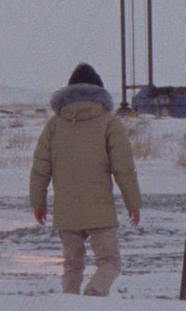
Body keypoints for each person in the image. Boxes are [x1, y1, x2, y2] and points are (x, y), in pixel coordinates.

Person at [29, 62, 142, 296]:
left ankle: (69, 303)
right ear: (99, 91)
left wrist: (38, 203)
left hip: (66, 209)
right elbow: (123, 168)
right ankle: (95, 293)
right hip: (99, 208)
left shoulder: (54, 124)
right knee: (110, 261)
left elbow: (40, 168)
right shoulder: (109, 122)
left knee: (72, 266)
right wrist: (133, 203)